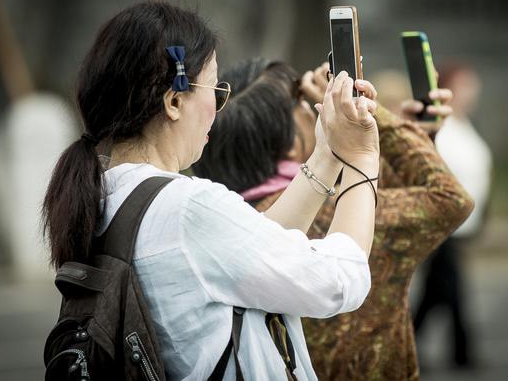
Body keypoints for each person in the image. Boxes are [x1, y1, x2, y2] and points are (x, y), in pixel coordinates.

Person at [42, 1, 381, 380]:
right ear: (174, 101)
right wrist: (362, 157)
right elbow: (338, 281)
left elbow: (250, 246)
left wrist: (328, 154)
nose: (218, 108)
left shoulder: (107, 195)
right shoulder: (187, 209)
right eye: (216, 90)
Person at [194, 58, 474, 380]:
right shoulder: (328, 212)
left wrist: (410, 136)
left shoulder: (227, 219)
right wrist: (368, 113)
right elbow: (450, 199)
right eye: (304, 104)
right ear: (289, 146)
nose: (318, 109)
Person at [413, 63, 493, 369]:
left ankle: (412, 343)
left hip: (463, 226)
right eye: (464, 86)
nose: (471, 93)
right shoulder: (441, 126)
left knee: (438, 291)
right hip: (444, 225)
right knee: (452, 288)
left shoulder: (466, 124)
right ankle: (463, 352)